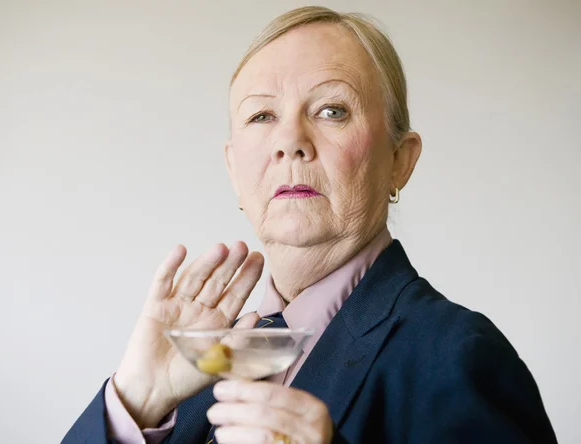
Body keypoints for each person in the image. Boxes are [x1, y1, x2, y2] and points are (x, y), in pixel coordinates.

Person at [63, 6, 557, 444]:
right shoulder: (201, 365)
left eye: (331, 110)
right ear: (235, 170)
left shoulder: (460, 358)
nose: (290, 141)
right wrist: (134, 401)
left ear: (399, 161)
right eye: (261, 115)